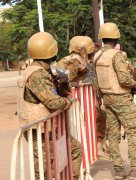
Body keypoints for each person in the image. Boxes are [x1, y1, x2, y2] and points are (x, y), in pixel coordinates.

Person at [94, 22, 136, 179]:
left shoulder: (97, 56)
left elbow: (96, 82)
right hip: (121, 97)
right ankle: (135, 170)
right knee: (133, 131)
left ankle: (118, 170)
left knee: (113, 134)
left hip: (107, 98)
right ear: (116, 38)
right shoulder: (116, 55)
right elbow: (123, 79)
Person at [18, 32, 82, 179]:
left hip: (45, 127)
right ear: (51, 52)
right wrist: (69, 101)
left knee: (71, 151)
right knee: (44, 169)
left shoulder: (39, 71)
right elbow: (53, 102)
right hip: (39, 130)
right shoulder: (37, 75)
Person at [55, 36, 109, 159]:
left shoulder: (77, 59)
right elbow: (64, 77)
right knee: (84, 125)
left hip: (81, 99)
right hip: (76, 100)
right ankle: (94, 149)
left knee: (99, 117)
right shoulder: (75, 60)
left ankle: (96, 147)